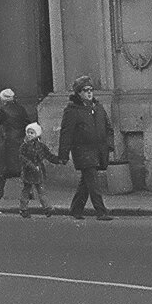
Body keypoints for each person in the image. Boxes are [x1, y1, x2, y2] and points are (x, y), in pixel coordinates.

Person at [57, 76, 114, 221]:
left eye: (91, 90)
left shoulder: (98, 107)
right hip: (83, 150)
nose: (89, 93)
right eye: (85, 90)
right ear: (78, 93)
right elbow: (66, 133)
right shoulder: (72, 110)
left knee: (86, 182)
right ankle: (101, 211)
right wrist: (63, 154)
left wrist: (109, 144)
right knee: (93, 181)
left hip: (98, 149)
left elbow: (108, 127)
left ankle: (76, 209)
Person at [0, 88, 34, 200]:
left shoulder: (2, 110)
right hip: (21, 139)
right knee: (23, 166)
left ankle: (0, 191)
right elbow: (27, 122)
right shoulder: (21, 108)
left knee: (5, 165)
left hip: (9, 140)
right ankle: (29, 192)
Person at [18, 123, 62, 218]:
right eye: (28, 132)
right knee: (26, 190)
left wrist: (59, 160)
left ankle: (47, 208)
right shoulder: (24, 146)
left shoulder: (41, 146)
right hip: (28, 172)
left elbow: (48, 155)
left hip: (38, 172)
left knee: (41, 191)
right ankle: (23, 208)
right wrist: (32, 166)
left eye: (32, 133)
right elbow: (22, 158)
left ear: (37, 134)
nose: (29, 135)